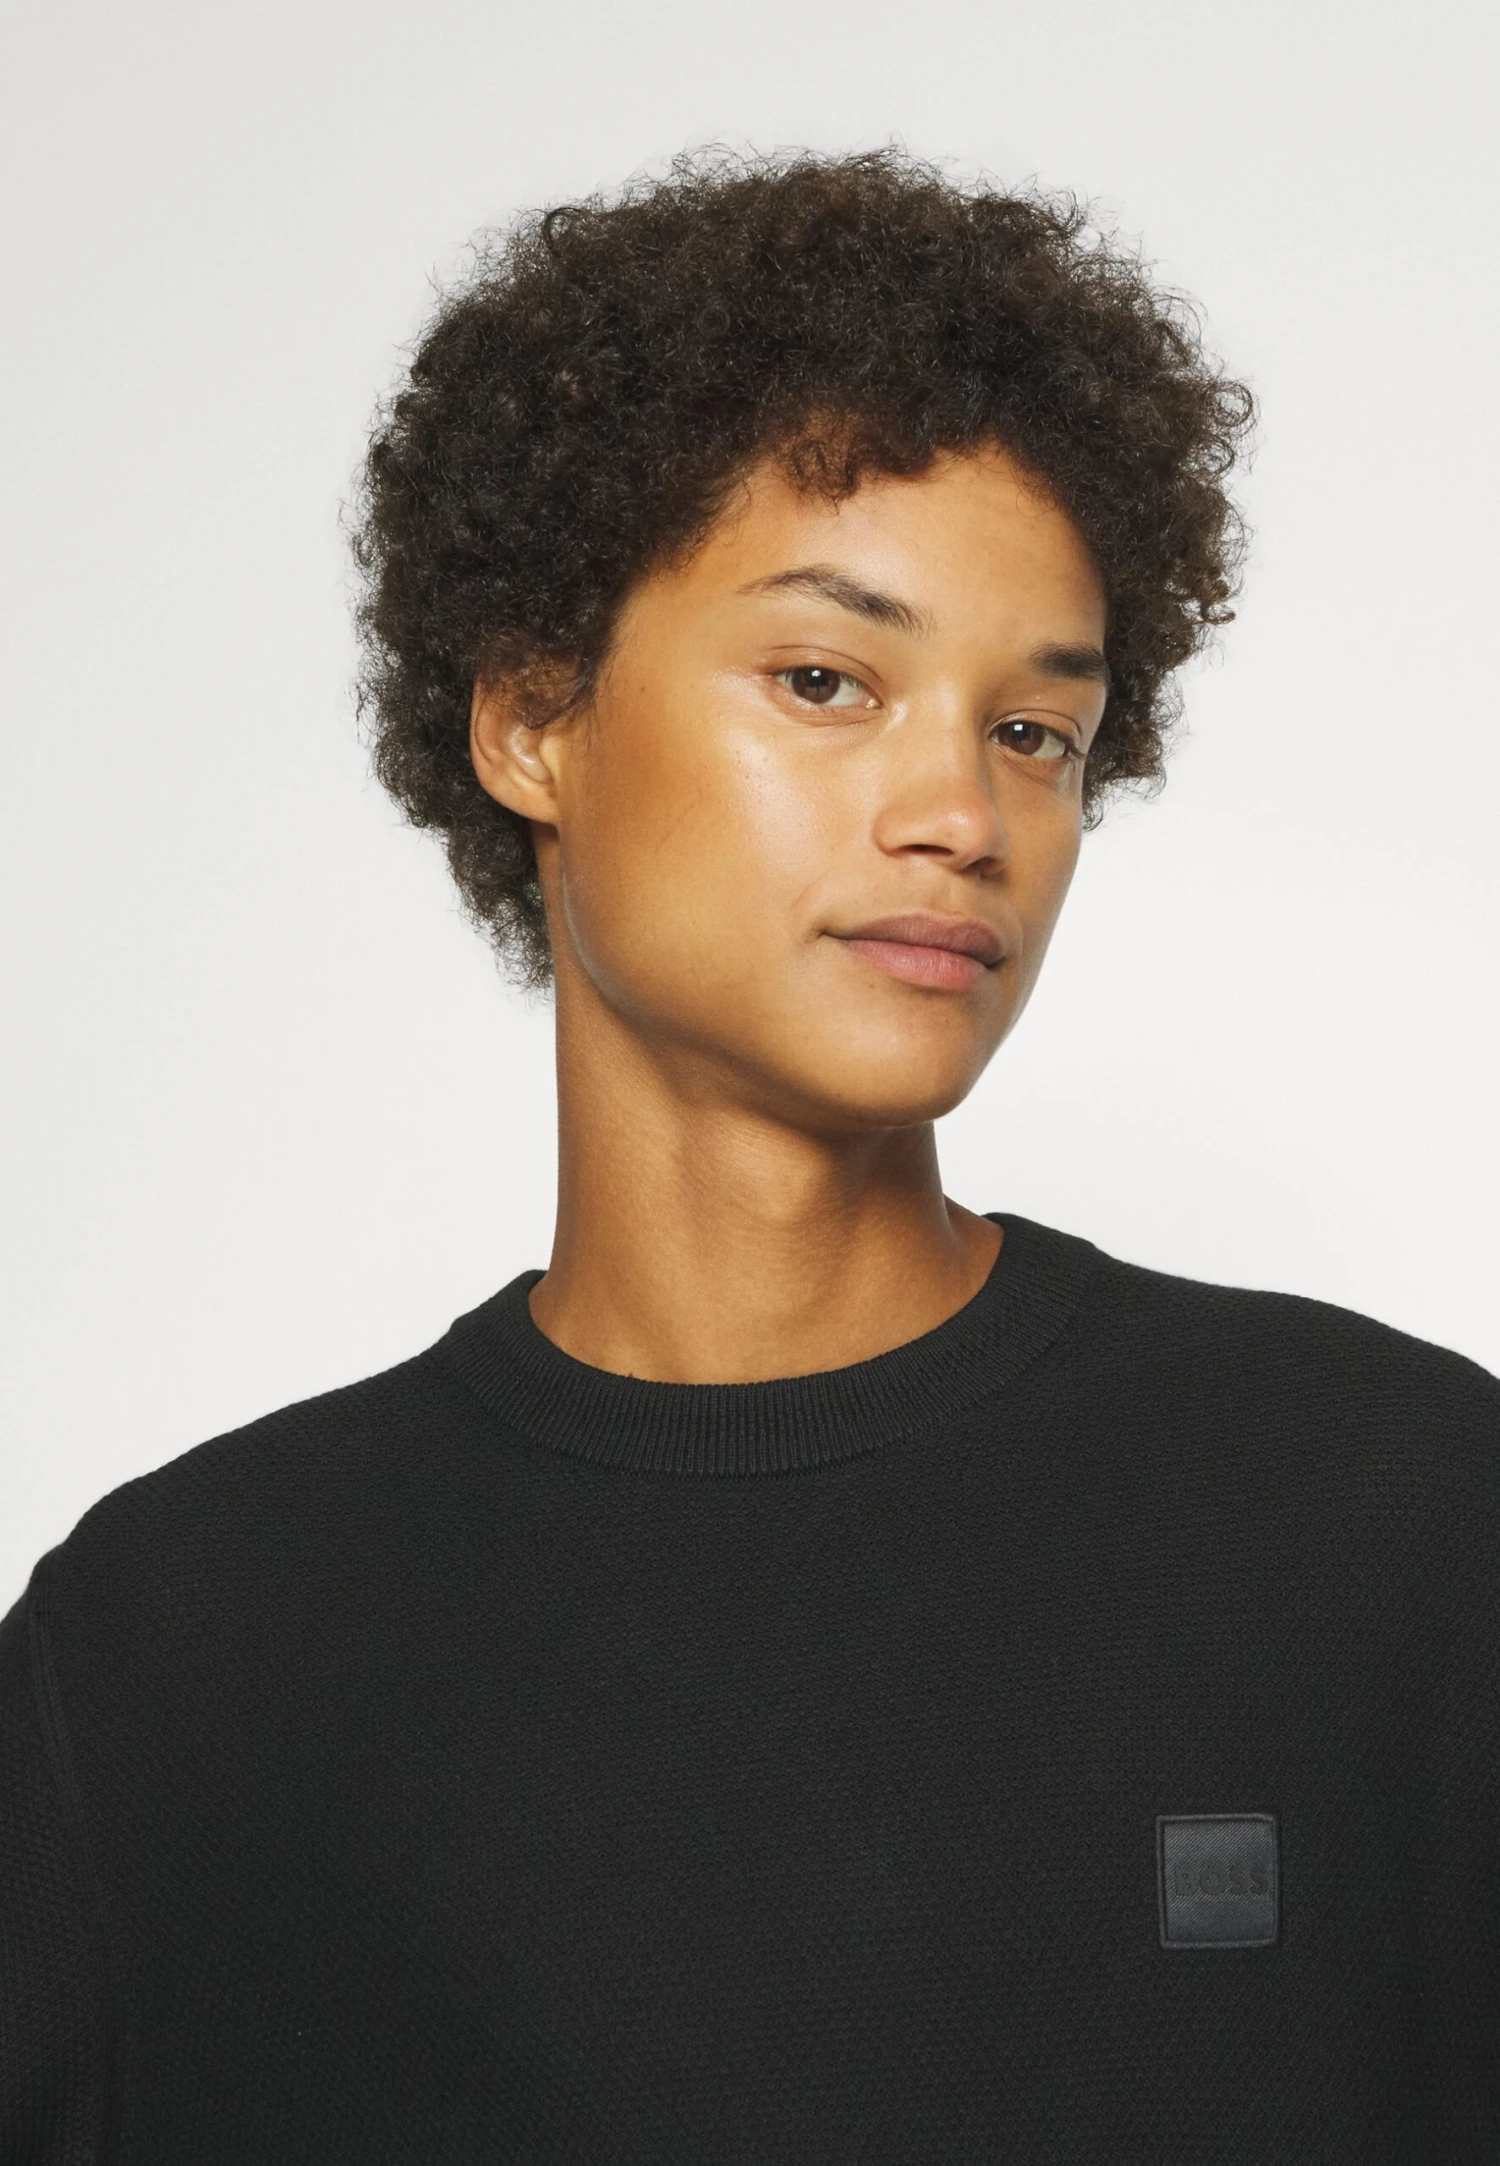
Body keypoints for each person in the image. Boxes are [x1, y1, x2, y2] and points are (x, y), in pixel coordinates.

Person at [2, 148, 1495, 2164]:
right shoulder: (175, 1654)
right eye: (824, 680)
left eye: (1035, 732)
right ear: (533, 719)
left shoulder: (1399, 1522)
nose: (958, 812)